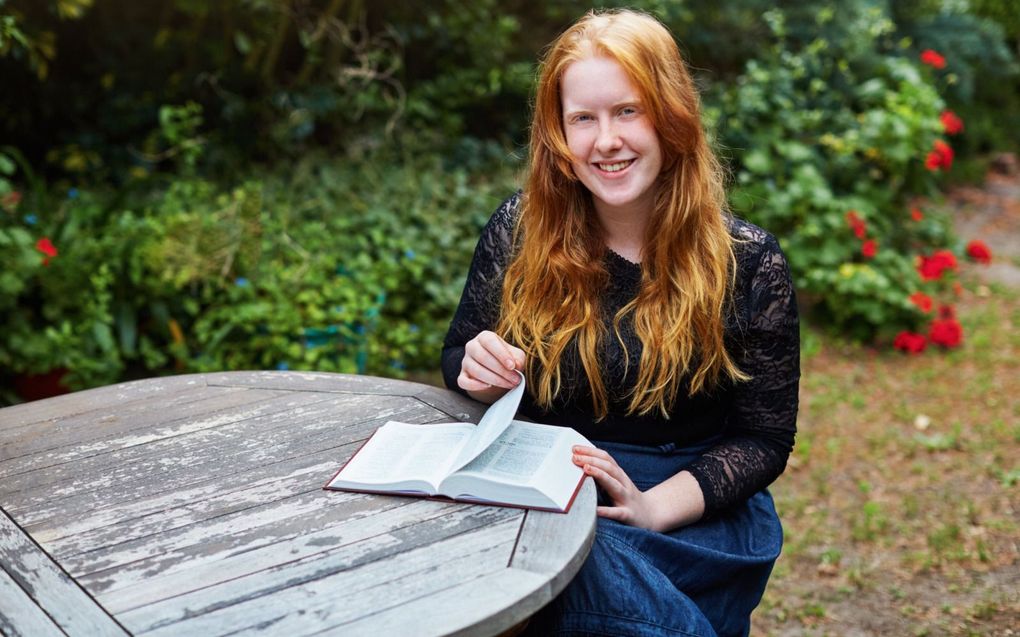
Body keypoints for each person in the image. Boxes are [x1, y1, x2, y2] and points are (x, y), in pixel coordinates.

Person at [441, 8, 799, 637]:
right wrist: (479, 370)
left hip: (689, 510)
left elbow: (763, 440)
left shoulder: (747, 262)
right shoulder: (519, 232)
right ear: (559, 135)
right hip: (554, 486)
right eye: (583, 118)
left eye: (628, 111)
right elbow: (457, 357)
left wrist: (654, 507)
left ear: (672, 116)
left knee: (571, 578)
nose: (605, 140)